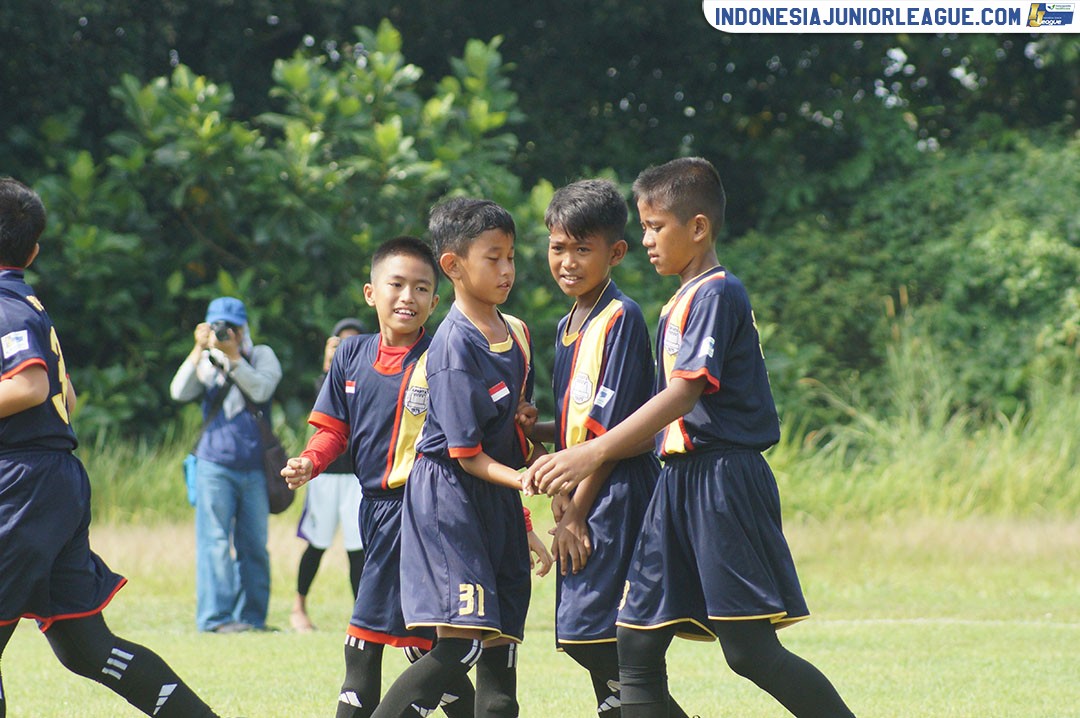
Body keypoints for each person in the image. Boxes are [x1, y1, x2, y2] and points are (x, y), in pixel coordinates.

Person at [525, 158, 857, 718]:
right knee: (633, 640)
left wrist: (591, 451)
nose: (647, 239)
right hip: (676, 482)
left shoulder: (718, 292)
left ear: (698, 228)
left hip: (722, 480)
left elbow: (683, 396)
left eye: (656, 227)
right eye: (645, 227)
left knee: (749, 651)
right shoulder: (678, 300)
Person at [0, 177, 223, 717]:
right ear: (33, 250)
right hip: (50, 481)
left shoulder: (5, 305)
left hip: (22, 485)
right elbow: (65, 394)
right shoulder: (26, 301)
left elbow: (30, 386)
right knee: (86, 646)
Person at [281, 236, 480, 718]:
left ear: (436, 301)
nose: (407, 297)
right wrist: (310, 461)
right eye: (396, 284)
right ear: (371, 292)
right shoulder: (350, 357)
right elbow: (333, 429)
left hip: (426, 513)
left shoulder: (441, 358)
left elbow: (474, 444)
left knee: (367, 643)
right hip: (374, 511)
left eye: (421, 288)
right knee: (416, 646)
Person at [370, 199, 552, 718]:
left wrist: (523, 520)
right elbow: (467, 455)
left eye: (512, 257)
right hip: (450, 499)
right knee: (463, 644)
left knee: (502, 655)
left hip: (497, 499)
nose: (507, 270)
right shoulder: (451, 346)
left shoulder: (516, 332)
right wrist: (527, 481)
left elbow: (508, 436)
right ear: (453, 266)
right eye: (493, 258)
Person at [526, 178, 694, 718]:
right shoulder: (566, 324)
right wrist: (542, 432)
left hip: (616, 495)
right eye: (558, 247)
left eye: (583, 249)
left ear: (615, 252)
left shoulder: (619, 318)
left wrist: (575, 510)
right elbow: (583, 421)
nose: (568, 261)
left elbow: (616, 430)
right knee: (593, 641)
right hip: (582, 492)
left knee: (598, 638)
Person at [170, 295, 282, 633]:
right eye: (218, 325)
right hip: (213, 463)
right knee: (215, 542)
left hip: (254, 465)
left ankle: (252, 618)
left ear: (244, 327)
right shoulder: (204, 360)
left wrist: (234, 359)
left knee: (254, 546)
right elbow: (178, 391)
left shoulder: (261, 355)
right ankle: (216, 618)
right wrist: (197, 350)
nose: (225, 332)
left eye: (231, 326)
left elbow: (262, 389)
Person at [290, 316, 368, 633]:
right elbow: (325, 412)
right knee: (317, 543)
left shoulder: (370, 376)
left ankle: (361, 614)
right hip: (325, 474)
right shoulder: (326, 379)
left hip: (358, 475)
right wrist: (328, 364)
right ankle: (298, 607)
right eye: (340, 344)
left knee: (357, 548)